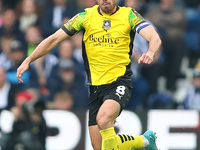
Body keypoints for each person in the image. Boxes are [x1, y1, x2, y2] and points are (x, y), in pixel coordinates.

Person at [16, 0, 161, 149]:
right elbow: (54, 39)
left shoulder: (129, 15)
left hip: (119, 82)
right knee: (100, 147)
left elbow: (154, 37)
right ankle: (144, 142)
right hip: (95, 88)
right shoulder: (85, 17)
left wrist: (150, 52)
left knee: (103, 120)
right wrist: (29, 59)